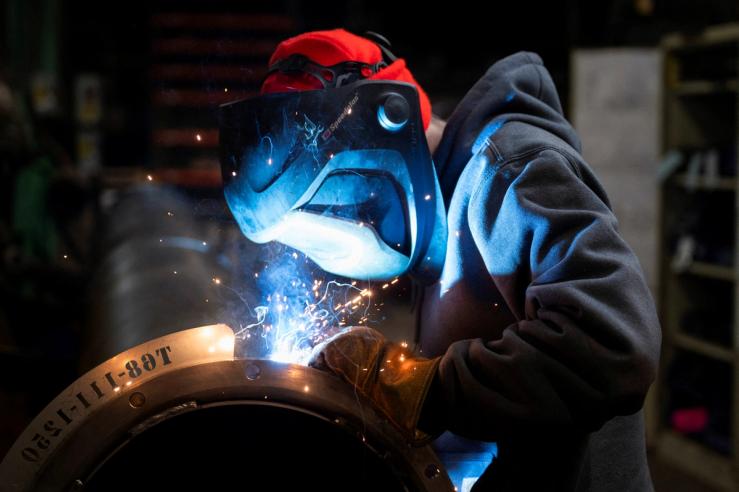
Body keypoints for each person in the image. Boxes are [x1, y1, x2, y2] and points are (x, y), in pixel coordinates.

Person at [219, 29, 662, 491]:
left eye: (341, 204)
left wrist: (421, 388)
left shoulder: (508, 169)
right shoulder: (443, 210)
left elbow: (614, 344)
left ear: (388, 122)